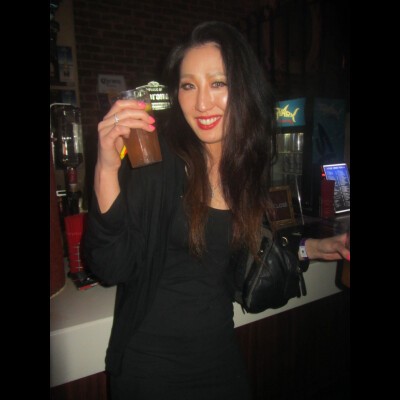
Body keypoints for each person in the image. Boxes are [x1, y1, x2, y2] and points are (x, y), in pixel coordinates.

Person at [84, 20, 350, 400]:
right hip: (150, 367)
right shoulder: (160, 162)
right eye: (188, 85)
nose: (202, 103)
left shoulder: (246, 167)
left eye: (218, 83)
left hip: (219, 356)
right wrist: (106, 167)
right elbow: (111, 267)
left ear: (243, 88)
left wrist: (314, 249)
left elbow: (249, 252)